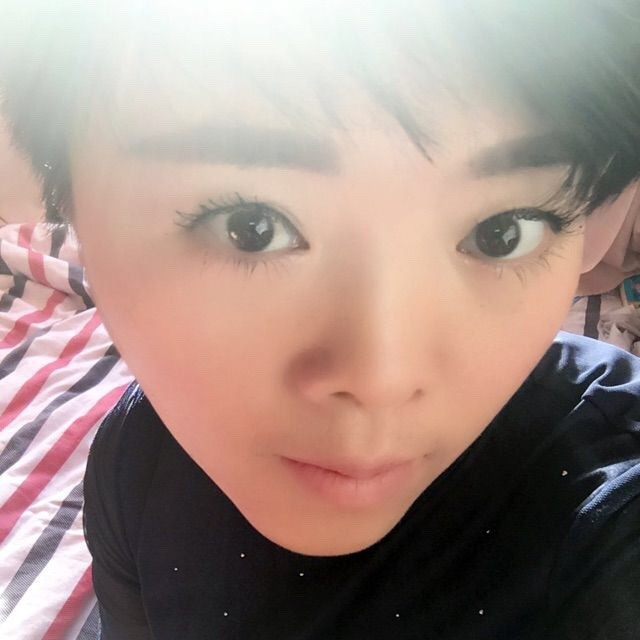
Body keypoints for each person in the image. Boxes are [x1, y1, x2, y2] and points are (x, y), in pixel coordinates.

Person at [1, 1, 639, 638]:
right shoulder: (138, 458)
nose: (380, 379)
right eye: (251, 227)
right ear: (73, 211)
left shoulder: (609, 518)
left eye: (503, 232)